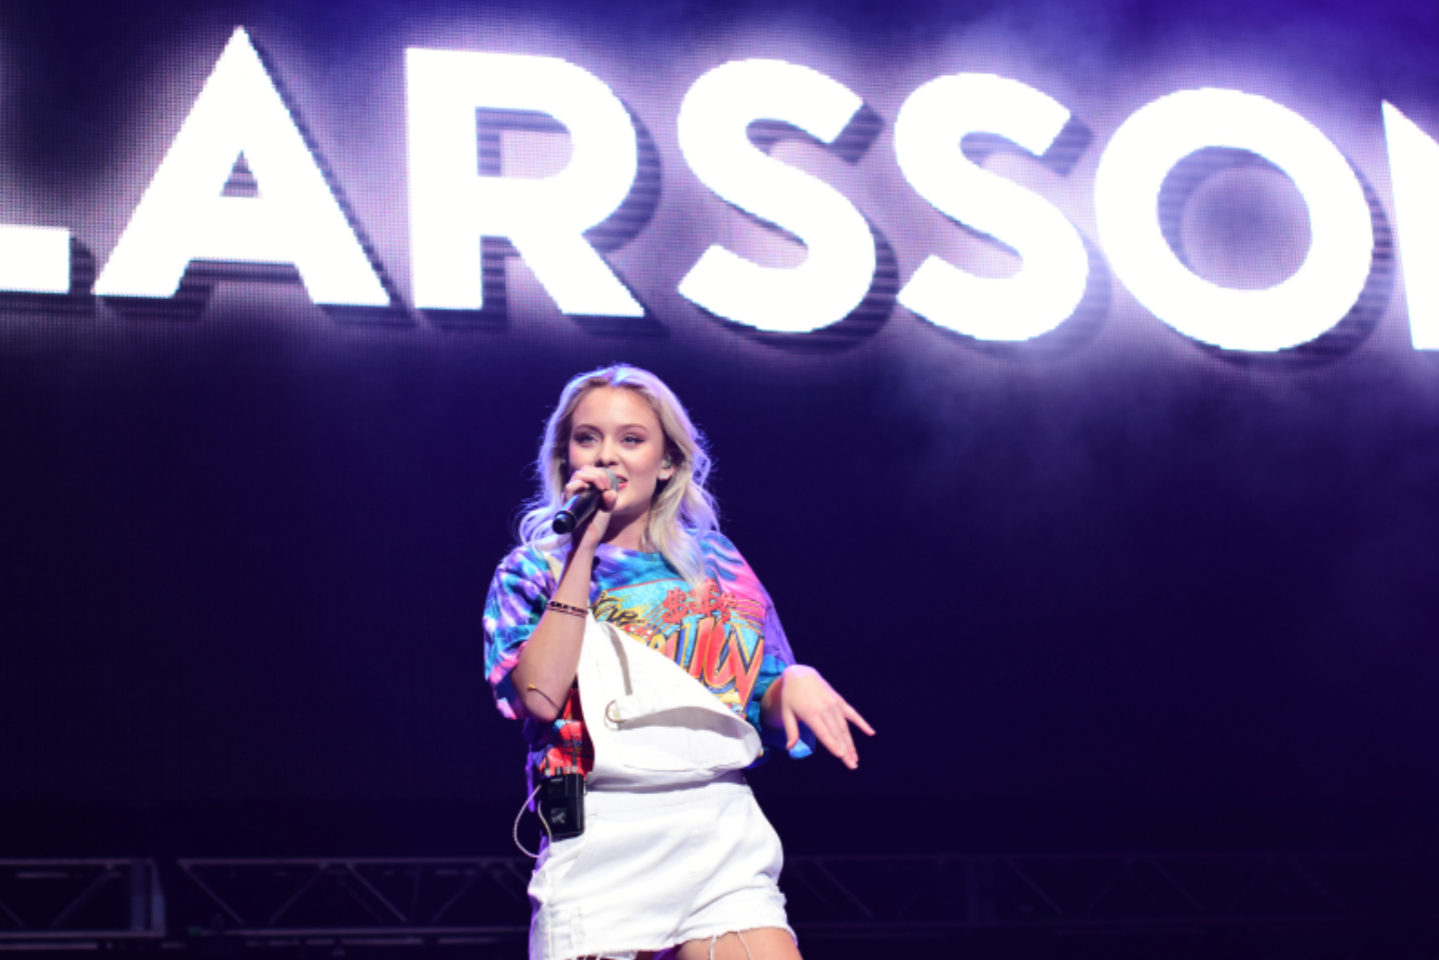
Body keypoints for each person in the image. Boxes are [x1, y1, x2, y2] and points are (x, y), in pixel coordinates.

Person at [483, 364, 874, 960]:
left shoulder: (714, 561)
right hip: (601, 836)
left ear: (666, 461)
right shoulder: (531, 570)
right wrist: (582, 550)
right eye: (588, 438)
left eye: (631, 438)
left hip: (719, 825)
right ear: (566, 456)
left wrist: (794, 681)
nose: (607, 454)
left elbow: (757, 697)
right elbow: (538, 696)